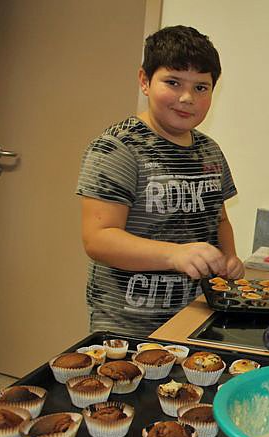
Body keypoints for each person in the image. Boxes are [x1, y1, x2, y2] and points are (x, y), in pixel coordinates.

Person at [77, 25, 243, 336]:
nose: (186, 97)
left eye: (201, 87)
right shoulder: (117, 147)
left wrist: (229, 257)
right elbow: (97, 238)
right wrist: (174, 254)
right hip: (126, 324)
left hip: (196, 315)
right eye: (173, 82)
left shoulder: (210, 152)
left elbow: (219, 220)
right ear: (144, 81)